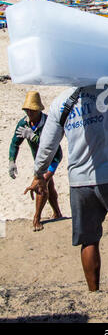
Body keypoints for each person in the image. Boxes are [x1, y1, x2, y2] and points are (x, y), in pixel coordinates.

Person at [24, 22, 108, 292]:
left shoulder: (62, 101)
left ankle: (94, 293)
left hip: (78, 183)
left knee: (89, 240)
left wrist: (39, 175)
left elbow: (46, 146)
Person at [9, 91, 63, 231]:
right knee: (49, 186)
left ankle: (36, 218)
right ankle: (57, 212)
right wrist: (12, 160)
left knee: (41, 184)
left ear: (38, 109)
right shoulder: (24, 123)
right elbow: (15, 143)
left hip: (53, 159)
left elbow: (51, 145)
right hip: (39, 162)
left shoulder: (48, 123)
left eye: (32, 110)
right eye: (27, 110)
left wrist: (34, 138)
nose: (29, 113)